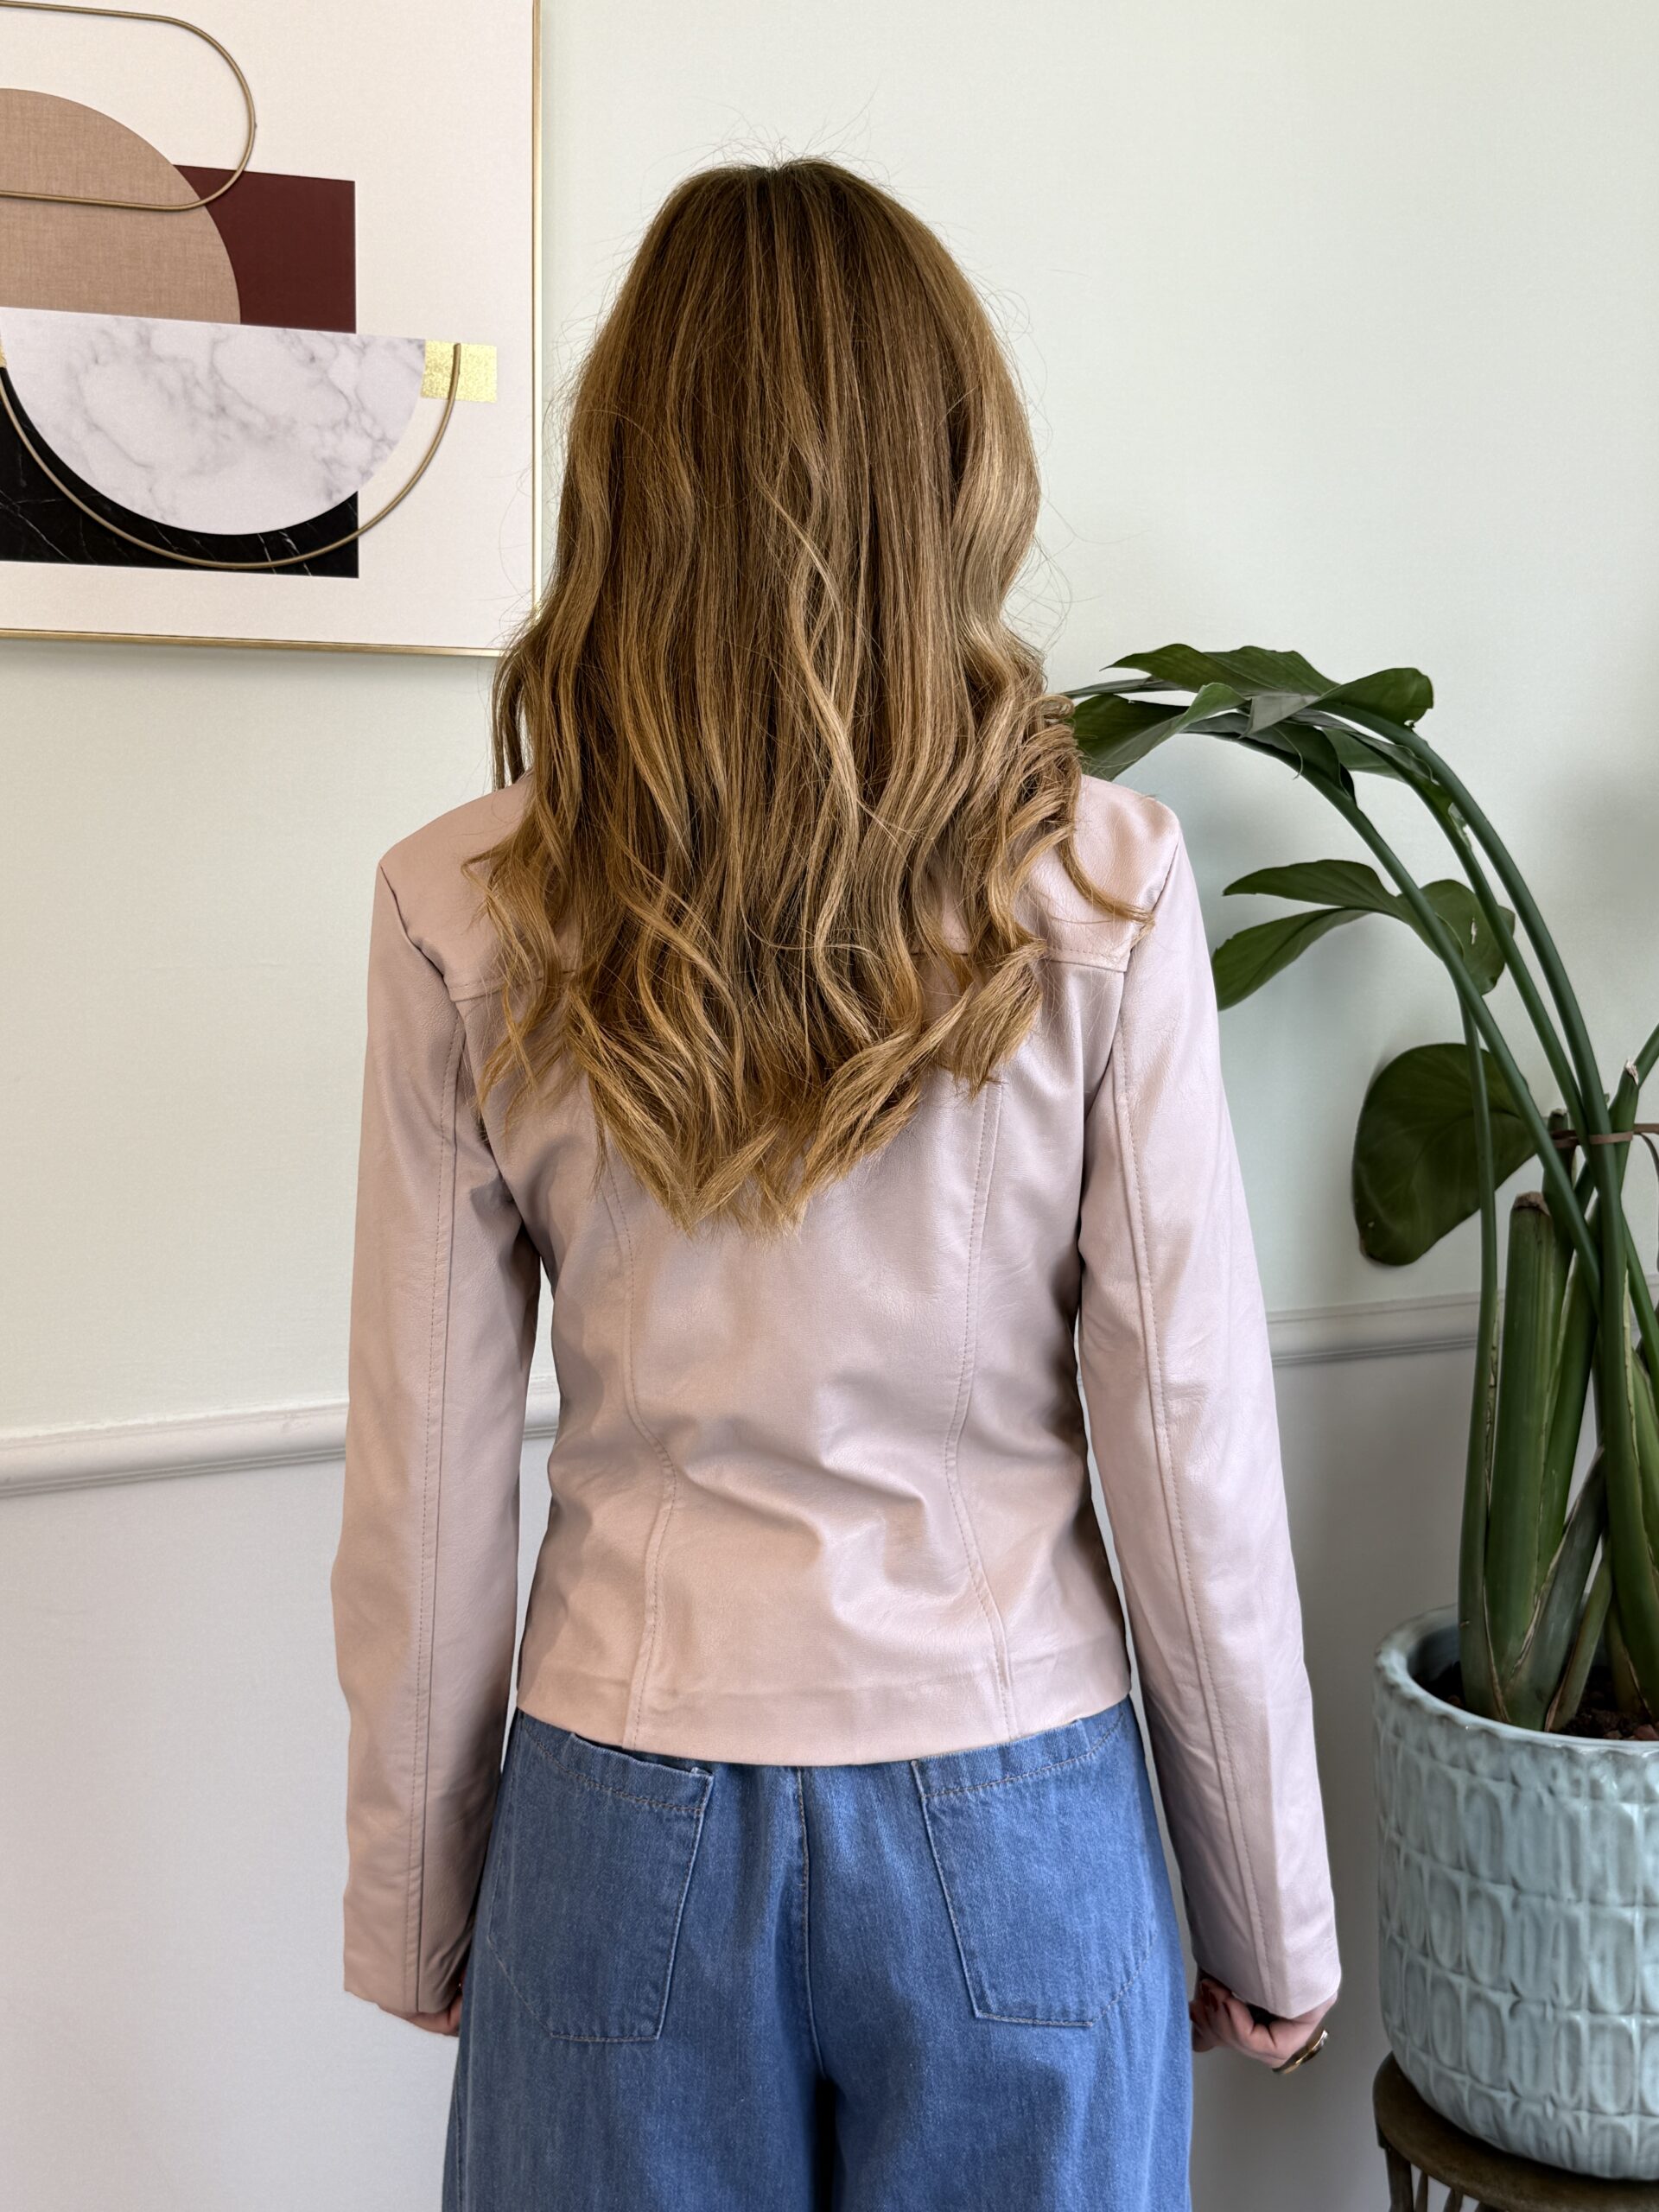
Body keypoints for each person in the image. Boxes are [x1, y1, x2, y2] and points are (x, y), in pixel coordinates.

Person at [330, 156, 1339, 2211]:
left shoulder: (467, 901)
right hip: (1019, 1815)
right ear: (954, 463)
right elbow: (1189, 1447)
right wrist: (1271, 1901)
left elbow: (424, 1479)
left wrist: (416, 1891)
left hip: (619, 1819)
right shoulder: (1105, 888)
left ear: (629, 475)